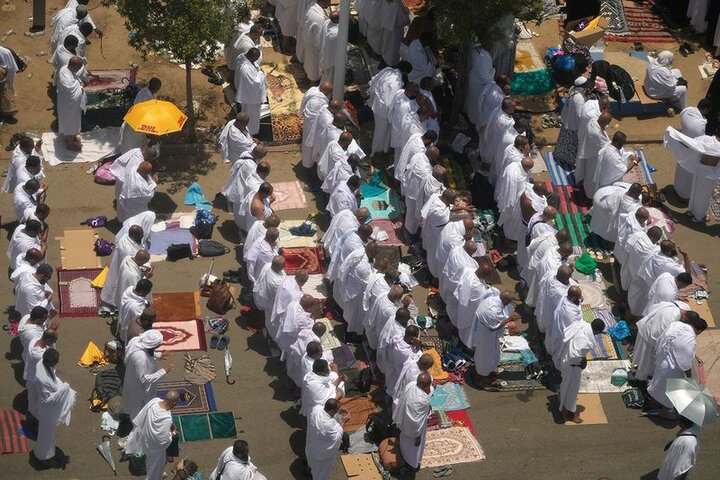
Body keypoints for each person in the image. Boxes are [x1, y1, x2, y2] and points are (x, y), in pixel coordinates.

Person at [647, 317, 707, 417]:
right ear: (699, 331)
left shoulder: (675, 325)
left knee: (657, 382)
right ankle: (667, 411)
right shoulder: (690, 340)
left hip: (661, 358)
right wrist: (689, 378)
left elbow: (677, 345)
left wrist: (694, 355)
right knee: (669, 390)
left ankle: (654, 398)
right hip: (671, 368)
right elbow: (685, 364)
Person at [32, 349, 76, 468]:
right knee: (46, 436)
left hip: (46, 411)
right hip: (47, 412)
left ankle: (46, 454)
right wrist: (64, 389)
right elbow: (47, 400)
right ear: (50, 362)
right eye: (55, 361)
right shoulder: (44, 379)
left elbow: (53, 379)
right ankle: (44, 457)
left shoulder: (41, 364)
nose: (56, 363)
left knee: (47, 435)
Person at [124, 391, 180, 480]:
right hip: (153, 447)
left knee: (154, 463)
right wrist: (171, 435)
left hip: (144, 437)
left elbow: (142, 416)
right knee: (156, 466)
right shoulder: (166, 419)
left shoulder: (154, 401)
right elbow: (162, 440)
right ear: (173, 403)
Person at [558, 319, 605, 423]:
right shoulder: (586, 342)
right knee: (573, 388)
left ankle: (563, 401)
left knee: (566, 384)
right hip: (572, 364)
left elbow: (566, 333)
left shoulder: (581, 324)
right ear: (597, 332)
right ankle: (571, 413)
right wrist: (580, 362)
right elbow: (574, 355)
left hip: (565, 356)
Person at [633, 302, 694, 382]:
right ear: (685, 318)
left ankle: (638, 370)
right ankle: (640, 378)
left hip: (647, 327)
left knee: (640, 355)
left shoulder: (672, 306)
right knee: (645, 360)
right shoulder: (672, 318)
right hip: (649, 336)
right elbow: (661, 335)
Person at [472, 291, 519, 388]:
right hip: (486, 335)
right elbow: (493, 327)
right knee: (485, 356)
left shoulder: (492, 299)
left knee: (492, 354)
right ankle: (481, 378)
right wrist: (509, 319)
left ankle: (489, 371)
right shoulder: (492, 310)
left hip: (489, 335)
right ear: (506, 302)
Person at [122, 329, 172, 421]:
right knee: (138, 408)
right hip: (137, 387)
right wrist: (163, 371)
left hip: (133, 374)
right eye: (157, 346)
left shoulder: (136, 340)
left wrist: (159, 355)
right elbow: (144, 380)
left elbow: (147, 350)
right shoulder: (141, 359)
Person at [392, 372, 432, 471]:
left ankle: (405, 458)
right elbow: (416, 422)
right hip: (413, 432)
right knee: (413, 449)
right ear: (426, 386)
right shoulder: (422, 399)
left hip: (404, 422)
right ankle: (411, 465)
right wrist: (417, 436)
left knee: (404, 443)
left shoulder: (411, 385)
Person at [675, 99, 712, 200]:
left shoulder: (687, 111)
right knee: (689, 175)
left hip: (682, 146)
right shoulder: (700, 125)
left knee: (680, 171)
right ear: (705, 110)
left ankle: (677, 189)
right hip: (692, 152)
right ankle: (685, 196)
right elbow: (701, 141)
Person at [101, 224, 146, 307]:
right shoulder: (127, 250)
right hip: (124, 270)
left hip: (122, 266)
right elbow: (135, 262)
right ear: (135, 236)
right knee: (121, 288)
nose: (143, 236)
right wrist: (145, 269)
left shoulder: (126, 237)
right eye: (141, 235)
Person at [368, 63, 409, 154]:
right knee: (381, 132)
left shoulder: (387, 71)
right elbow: (390, 99)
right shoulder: (396, 82)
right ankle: (375, 152)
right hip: (383, 109)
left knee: (381, 130)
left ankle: (382, 150)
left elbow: (373, 81)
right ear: (405, 73)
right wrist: (391, 114)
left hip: (377, 105)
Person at [305, 399, 348, 480]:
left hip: (311, 446)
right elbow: (337, 437)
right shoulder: (328, 425)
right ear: (332, 410)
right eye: (337, 410)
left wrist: (338, 411)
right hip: (321, 455)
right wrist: (344, 422)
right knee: (321, 475)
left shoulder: (315, 409)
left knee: (311, 462)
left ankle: (309, 470)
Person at [553, 77, 590, 165]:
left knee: (565, 140)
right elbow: (579, 114)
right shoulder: (579, 98)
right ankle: (569, 160)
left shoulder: (573, 90)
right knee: (572, 144)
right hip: (574, 124)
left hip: (567, 119)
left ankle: (561, 155)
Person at [268, 270, 309, 342]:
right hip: (285, 316)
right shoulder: (297, 296)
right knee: (279, 334)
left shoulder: (286, 281)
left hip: (274, 308)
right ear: (304, 282)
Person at [56, 56, 86, 151]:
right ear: (74, 67)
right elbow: (71, 87)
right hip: (69, 104)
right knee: (71, 122)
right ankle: (70, 144)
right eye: (78, 68)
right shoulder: (67, 78)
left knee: (72, 120)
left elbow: (75, 78)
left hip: (68, 104)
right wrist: (81, 86)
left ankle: (72, 136)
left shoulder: (64, 68)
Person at [547, 285, 584, 363]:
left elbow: (578, 302)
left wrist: (580, 299)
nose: (580, 299)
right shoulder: (569, 312)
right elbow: (574, 328)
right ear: (573, 298)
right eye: (578, 297)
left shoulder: (566, 298)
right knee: (562, 352)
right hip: (563, 334)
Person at [657, 416, 701, 480]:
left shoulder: (689, 442)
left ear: (683, 424)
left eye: (679, 420)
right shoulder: (690, 430)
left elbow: (685, 466)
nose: (677, 422)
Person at [234, 48, 267, 135]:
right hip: (250, 98)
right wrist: (261, 74)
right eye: (256, 58)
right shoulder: (245, 69)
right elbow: (254, 83)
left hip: (249, 94)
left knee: (251, 114)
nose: (256, 60)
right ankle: (251, 132)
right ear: (251, 56)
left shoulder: (243, 57)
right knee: (251, 115)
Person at [301, 81, 333, 167]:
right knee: (315, 144)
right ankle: (310, 164)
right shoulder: (323, 105)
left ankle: (307, 163)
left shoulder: (312, 90)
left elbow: (304, 100)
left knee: (307, 144)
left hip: (309, 124)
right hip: (315, 126)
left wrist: (300, 111)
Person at [581, 111, 613, 197]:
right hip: (594, 156)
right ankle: (590, 195)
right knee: (593, 176)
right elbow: (607, 145)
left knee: (588, 173)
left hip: (590, 152)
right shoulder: (597, 134)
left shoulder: (592, 121)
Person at [302, 0, 330, 84]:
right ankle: (312, 86)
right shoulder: (319, 18)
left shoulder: (312, 7)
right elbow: (319, 41)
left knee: (309, 64)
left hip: (308, 41)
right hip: (314, 47)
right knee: (314, 72)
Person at [253, 255, 287, 323]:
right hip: (268, 302)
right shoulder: (277, 282)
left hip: (259, 294)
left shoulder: (267, 265)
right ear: (282, 267)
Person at [118, 279, 154, 343]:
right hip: (130, 330)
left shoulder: (129, 290)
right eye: (148, 292)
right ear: (143, 291)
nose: (148, 293)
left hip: (123, 322)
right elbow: (142, 321)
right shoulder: (138, 307)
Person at [380, 0, 410, 67]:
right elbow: (404, 20)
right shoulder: (398, 4)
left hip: (387, 27)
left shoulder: (387, 2)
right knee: (393, 48)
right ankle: (392, 64)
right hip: (396, 30)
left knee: (387, 45)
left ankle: (385, 61)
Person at [0, 45, 19, 123]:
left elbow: (11, 72)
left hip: (2, 82)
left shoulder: (5, 53)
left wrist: (11, 86)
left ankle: (6, 112)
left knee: (5, 97)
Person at [319, 11, 339, 83]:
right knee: (330, 78)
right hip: (331, 60)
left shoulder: (327, 22)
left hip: (325, 54)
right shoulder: (337, 32)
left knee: (326, 75)